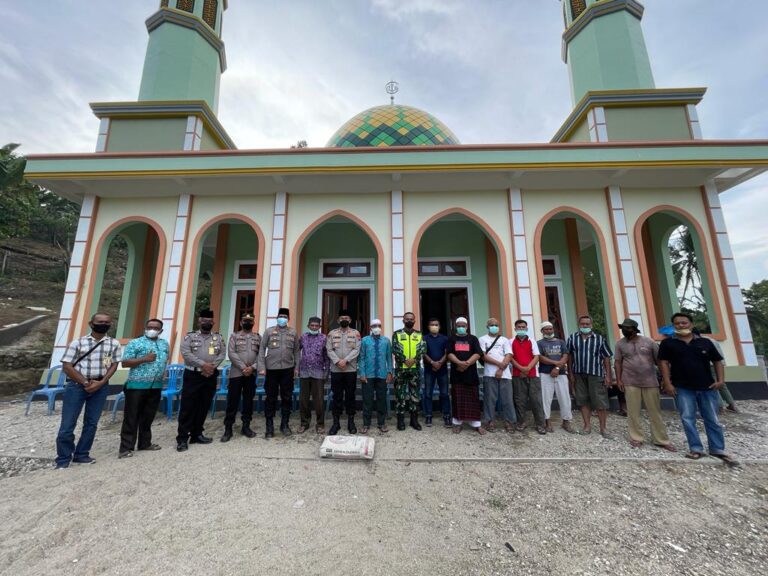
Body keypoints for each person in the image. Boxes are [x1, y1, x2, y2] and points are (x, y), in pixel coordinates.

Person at [658, 312, 737, 465]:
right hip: (682, 387)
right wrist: (667, 383)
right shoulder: (668, 344)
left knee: (712, 418)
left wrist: (721, 380)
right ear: (673, 326)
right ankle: (696, 448)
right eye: (677, 324)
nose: (681, 325)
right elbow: (663, 363)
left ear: (691, 324)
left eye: (684, 323)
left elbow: (717, 361)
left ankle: (717, 448)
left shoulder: (706, 342)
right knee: (688, 418)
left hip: (707, 386)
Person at [56, 312, 122, 468]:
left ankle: (82, 454)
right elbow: (67, 366)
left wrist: (102, 382)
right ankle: (63, 458)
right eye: (100, 321)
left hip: (101, 386)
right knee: (68, 424)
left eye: (107, 322)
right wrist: (86, 383)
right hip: (77, 387)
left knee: (91, 423)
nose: (103, 324)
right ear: (91, 324)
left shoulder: (114, 344)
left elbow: (113, 364)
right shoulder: (78, 343)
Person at [614, 318, 675, 451]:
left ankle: (661, 439)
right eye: (623, 328)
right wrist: (618, 379)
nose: (624, 330)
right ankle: (636, 437)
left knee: (655, 411)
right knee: (633, 411)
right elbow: (618, 362)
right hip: (630, 381)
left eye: (628, 328)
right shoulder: (620, 344)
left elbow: (660, 361)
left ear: (635, 329)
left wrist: (666, 379)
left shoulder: (649, 342)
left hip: (650, 381)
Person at [118, 318, 169, 458]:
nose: (152, 329)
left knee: (148, 416)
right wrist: (144, 359)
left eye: (156, 328)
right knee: (132, 416)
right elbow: (125, 363)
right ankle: (126, 448)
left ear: (161, 330)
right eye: (150, 326)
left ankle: (145, 443)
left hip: (156, 385)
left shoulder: (164, 344)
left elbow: (165, 360)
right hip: (136, 385)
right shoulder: (135, 343)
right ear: (145, 328)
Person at [177, 309, 226, 451]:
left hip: (210, 375)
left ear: (213, 322)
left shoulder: (217, 338)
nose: (207, 323)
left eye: (210, 321)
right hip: (193, 375)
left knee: (204, 405)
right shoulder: (190, 337)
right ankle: (182, 438)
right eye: (204, 321)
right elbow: (186, 353)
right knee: (188, 406)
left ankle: (197, 434)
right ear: (199, 321)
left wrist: (211, 367)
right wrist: (203, 365)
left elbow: (222, 353)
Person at [567, 315, 614, 439]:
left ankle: (603, 428)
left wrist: (608, 375)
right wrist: (570, 373)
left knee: (600, 402)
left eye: (587, 324)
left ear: (591, 325)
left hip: (596, 374)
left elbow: (606, 358)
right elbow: (569, 357)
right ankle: (587, 426)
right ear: (579, 324)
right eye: (583, 324)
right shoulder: (572, 338)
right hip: (578, 374)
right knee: (582, 400)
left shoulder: (599, 339)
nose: (585, 326)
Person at [258, 307, 300, 438]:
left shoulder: (293, 332)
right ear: (277, 318)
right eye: (281, 316)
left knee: (286, 398)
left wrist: (296, 367)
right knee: (271, 398)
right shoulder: (269, 331)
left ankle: (285, 424)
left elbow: (297, 352)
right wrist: (261, 367)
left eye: (285, 317)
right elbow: (261, 349)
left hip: (287, 370)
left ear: (288, 319)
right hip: (271, 370)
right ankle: (269, 426)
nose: (283, 318)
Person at [222, 313, 261, 442]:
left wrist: (252, 368)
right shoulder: (234, 336)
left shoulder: (257, 337)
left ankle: (246, 426)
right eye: (245, 320)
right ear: (240, 322)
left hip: (251, 374)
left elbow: (261, 355)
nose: (248, 322)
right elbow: (231, 353)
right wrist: (244, 367)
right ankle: (228, 428)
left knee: (248, 401)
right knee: (233, 400)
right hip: (236, 374)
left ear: (253, 323)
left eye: (250, 320)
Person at [447, 317, 485, 434]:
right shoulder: (452, 338)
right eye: (459, 326)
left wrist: (467, 363)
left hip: (471, 373)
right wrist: (459, 363)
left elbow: (478, 353)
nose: (461, 328)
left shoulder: (473, 339)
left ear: (467, 326)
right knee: (457, 398)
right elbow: (449, 353)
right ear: (455, 326)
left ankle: (476, 424)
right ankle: (457, 423)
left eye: (463, 326)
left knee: (473, 399)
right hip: (457, 373)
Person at [326, 310, 361, 435]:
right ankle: (336, 423)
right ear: (338, 320)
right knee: (337, 396)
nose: (344, 319)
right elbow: (329, 349)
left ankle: (351, 422)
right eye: (342, 318)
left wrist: (345, 360)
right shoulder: (332, 333)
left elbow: (357, 349)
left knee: (350, 395)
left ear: (350, 320)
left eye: (346, 317)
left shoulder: (356, 333)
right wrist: (337, 361)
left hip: (350, 369)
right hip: (336, 370)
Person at [537, 321, 575, 434]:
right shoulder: (539, 343)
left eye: (550, 328)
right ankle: (547, 421)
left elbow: (565, 356)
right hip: (545, 373)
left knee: (564, 397)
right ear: (542, 331)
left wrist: (557, 368)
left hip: (561, 374)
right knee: (546, 398)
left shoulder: (561, 342)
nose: (549, 331)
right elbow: (540, 358)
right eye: (546, 329)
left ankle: (566, 421)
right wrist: (556, 363)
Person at [478, 317, 515, 432]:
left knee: (507, 399)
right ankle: (489, 421)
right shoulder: (482, 339)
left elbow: (509, 354)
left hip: (505, 374)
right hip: (489, 374)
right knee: (490, 399)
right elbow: (483, 356)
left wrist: (501, 367)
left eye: (496, 325)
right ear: (487, 327)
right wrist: (499, 364)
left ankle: (509, 422)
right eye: (492, 325)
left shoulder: (504, 340)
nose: (494, 327)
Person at [392, 311, 426, 431]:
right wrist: (405, 360)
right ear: (403, 320)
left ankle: (414, 420)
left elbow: (423, 349)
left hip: (415, 370)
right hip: (401, 369)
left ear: (415, 320)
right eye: (407, 319)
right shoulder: (397, 334)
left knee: (414, 396)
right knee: (400, 395)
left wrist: (415, 360)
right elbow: (395, 348)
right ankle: (400, 420)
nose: (409, 321)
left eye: (411, 319)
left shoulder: (419, 334)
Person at [511, 319, 546, 434]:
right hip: (517, 375)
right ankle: (521, 422)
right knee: (520, 400)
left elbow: (536, 356)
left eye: (523, 327)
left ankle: (540, 424)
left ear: (526, 329)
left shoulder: (532, 341)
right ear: (515, 329)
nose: (521, 329)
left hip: (533, 375)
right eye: (519, 327)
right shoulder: (510, 341)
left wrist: (527, 369)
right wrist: (521, 369)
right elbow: (510, 357)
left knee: (536, 400)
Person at [359, 319, 393, 434]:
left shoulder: (386, 341)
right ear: (370, 328)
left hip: (382, 375)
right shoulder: (364, 340)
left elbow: (389, 358)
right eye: (374, 326)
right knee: (367, 400)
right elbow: (361, 358)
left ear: (381, 327)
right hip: (368, 375)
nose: (377, 327)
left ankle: (382, 423)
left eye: (379, 325)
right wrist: (362, 373)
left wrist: (389, 372)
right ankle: (366, 423)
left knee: (381, 400)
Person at [297, 316, 330, 434]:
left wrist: (326, 372)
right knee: (303, 400)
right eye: (312, 325)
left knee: (319, 400)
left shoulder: (324, 338)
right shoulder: (303, 337)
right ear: (308, 326)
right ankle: (304, 423)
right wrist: (296, 368)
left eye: (317, 326)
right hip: (304, 372)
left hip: (319, 373)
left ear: (320, 327)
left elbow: (327, 357)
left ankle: (320, 424)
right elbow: (296, 351)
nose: (314, 327)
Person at [423, 318, 451, 427]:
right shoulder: (424, 338)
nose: (434, 326)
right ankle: (428, 416)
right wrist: (432, 363)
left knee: (444, 393)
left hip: (442, 369)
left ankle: (447, 415)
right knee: (428, 393)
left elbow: (447, 352)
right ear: (428, 326)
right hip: (429, 370)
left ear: (439, 326)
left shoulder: (445, 338)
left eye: (436, 324)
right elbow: (423, 352)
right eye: (432, 324)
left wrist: (439, 363)